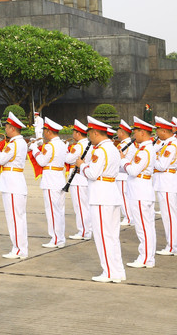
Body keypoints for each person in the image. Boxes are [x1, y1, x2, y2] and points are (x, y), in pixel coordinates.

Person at [76, 117, 125, 283]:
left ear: (96, 132)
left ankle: (109, 272)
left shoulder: (100, 150)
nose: (89, 137)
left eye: (90, 133)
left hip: (101, 195)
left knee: (103, 236)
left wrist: (81, 164)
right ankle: (117, 271)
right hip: (111, 193)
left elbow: (92, 174)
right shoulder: (112, 148)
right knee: (112, 236)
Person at [122, 117, 156, 268]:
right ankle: (148, 257)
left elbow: (133, 170)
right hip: (142, 191)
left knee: (143, 228)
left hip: (140, 192)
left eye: (135, 132)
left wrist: (123, 161)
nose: (133, 135)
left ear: (142, 132)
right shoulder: (144, 149)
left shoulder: (144, 151)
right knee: (146, 226)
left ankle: (145, 258)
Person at [0, 112, 28, 259]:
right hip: (14, 182)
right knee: (17, 217)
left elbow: (0, 159)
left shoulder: (13, 144)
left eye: (7, 127)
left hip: (12, 184)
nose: (5, 129)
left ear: (12, 128)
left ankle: (19, 249)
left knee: (14, 218)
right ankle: (20, 247)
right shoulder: (19, 142)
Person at [29, 118, 67, 248]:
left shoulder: (51, 146)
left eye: (44, 130)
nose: (44, 133)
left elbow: (42, 161)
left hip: (51, 180)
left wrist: (35, 149)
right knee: (59, 211)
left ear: (49, 131)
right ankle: (60, 238)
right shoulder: (61, 144)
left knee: (52, 211)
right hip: (59, 178)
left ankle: (56, 239)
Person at [153, 116, 177, 257]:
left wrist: (152, 158)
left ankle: (172, 246)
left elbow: (162, 165)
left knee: (169, 216)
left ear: (163, 131)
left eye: (158, 130)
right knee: (169, 215)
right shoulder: (166, 144)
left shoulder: (171, 145)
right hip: (165, 182)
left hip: (167, 182)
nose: (156, 133)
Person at [65, 120, 92, 240]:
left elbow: (69, 159)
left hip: (78, 179)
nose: (73, 135)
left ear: (78, 133)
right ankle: (87, 229)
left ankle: (84, 231)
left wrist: (66, 149)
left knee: (80, 207)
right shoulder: (89, 144)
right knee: (85, 206)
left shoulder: (79, 146)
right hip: (85, 178)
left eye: (74, 132)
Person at [116, 119, 136, 227]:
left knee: (123, 197)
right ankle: (129, 216)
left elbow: (122, 159)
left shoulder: (126, 144)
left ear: (122, 132)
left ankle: (128, 217)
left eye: (118, 131)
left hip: (122, 174)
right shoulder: (125, 143)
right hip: (122, 173)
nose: (117, 133)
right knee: (124, 197)